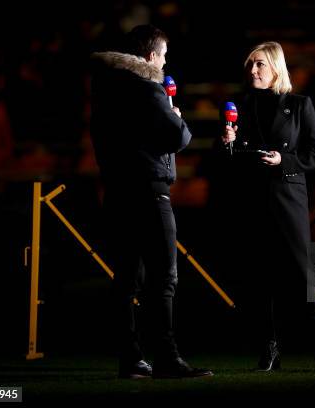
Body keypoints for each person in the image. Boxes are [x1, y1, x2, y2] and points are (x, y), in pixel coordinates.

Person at [90, 24, 212, 379]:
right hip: (149, 191)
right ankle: (166, 357)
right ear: (150, 57)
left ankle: (130, 358)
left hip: (116, 191)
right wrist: (175, 115)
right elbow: (179, 136)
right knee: (164, 276)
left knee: (126, 277)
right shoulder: (147, 88)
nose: (164, 62)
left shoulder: (105, 88)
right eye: (163, 56)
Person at [220, 41, 315, 372]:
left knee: (300, 271)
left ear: (276, 68)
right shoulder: (241, 106)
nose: (253, 70)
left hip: (288, 197)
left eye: (259, 64)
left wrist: (284, 159)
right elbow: (235, 163)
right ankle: (269, 346)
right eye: (250, 64)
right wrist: (229, 146)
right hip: (254, 198)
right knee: (260, 276)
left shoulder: (300, 105)